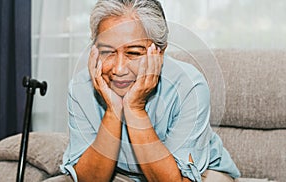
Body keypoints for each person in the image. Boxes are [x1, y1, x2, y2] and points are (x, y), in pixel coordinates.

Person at [60, 0, 241, 181]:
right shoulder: (81, 87)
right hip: (121, 173)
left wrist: (135, 108)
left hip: (202, 173)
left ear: (160, 52)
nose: (119, 69)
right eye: (108, 52)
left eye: (133, 53)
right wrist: (113, 111)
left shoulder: (190, 86)